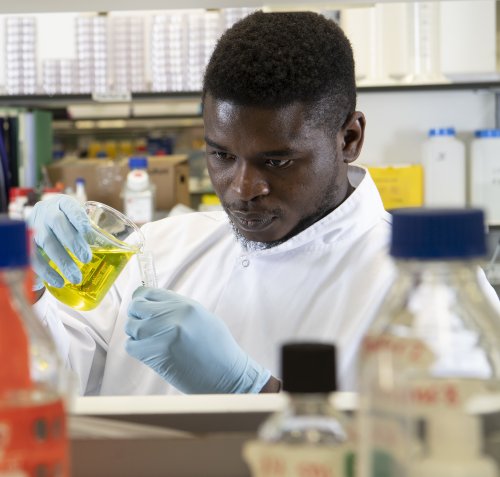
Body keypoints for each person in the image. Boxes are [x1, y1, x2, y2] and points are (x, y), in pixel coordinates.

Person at [30, 10, 396, 396]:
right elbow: (45, 382)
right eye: (222, 155)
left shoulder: (403, 284)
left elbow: (413, 447)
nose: (242, 189)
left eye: (277, 161)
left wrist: (252, 391)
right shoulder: (155, 250)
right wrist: (27, 289)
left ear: (350, 139)